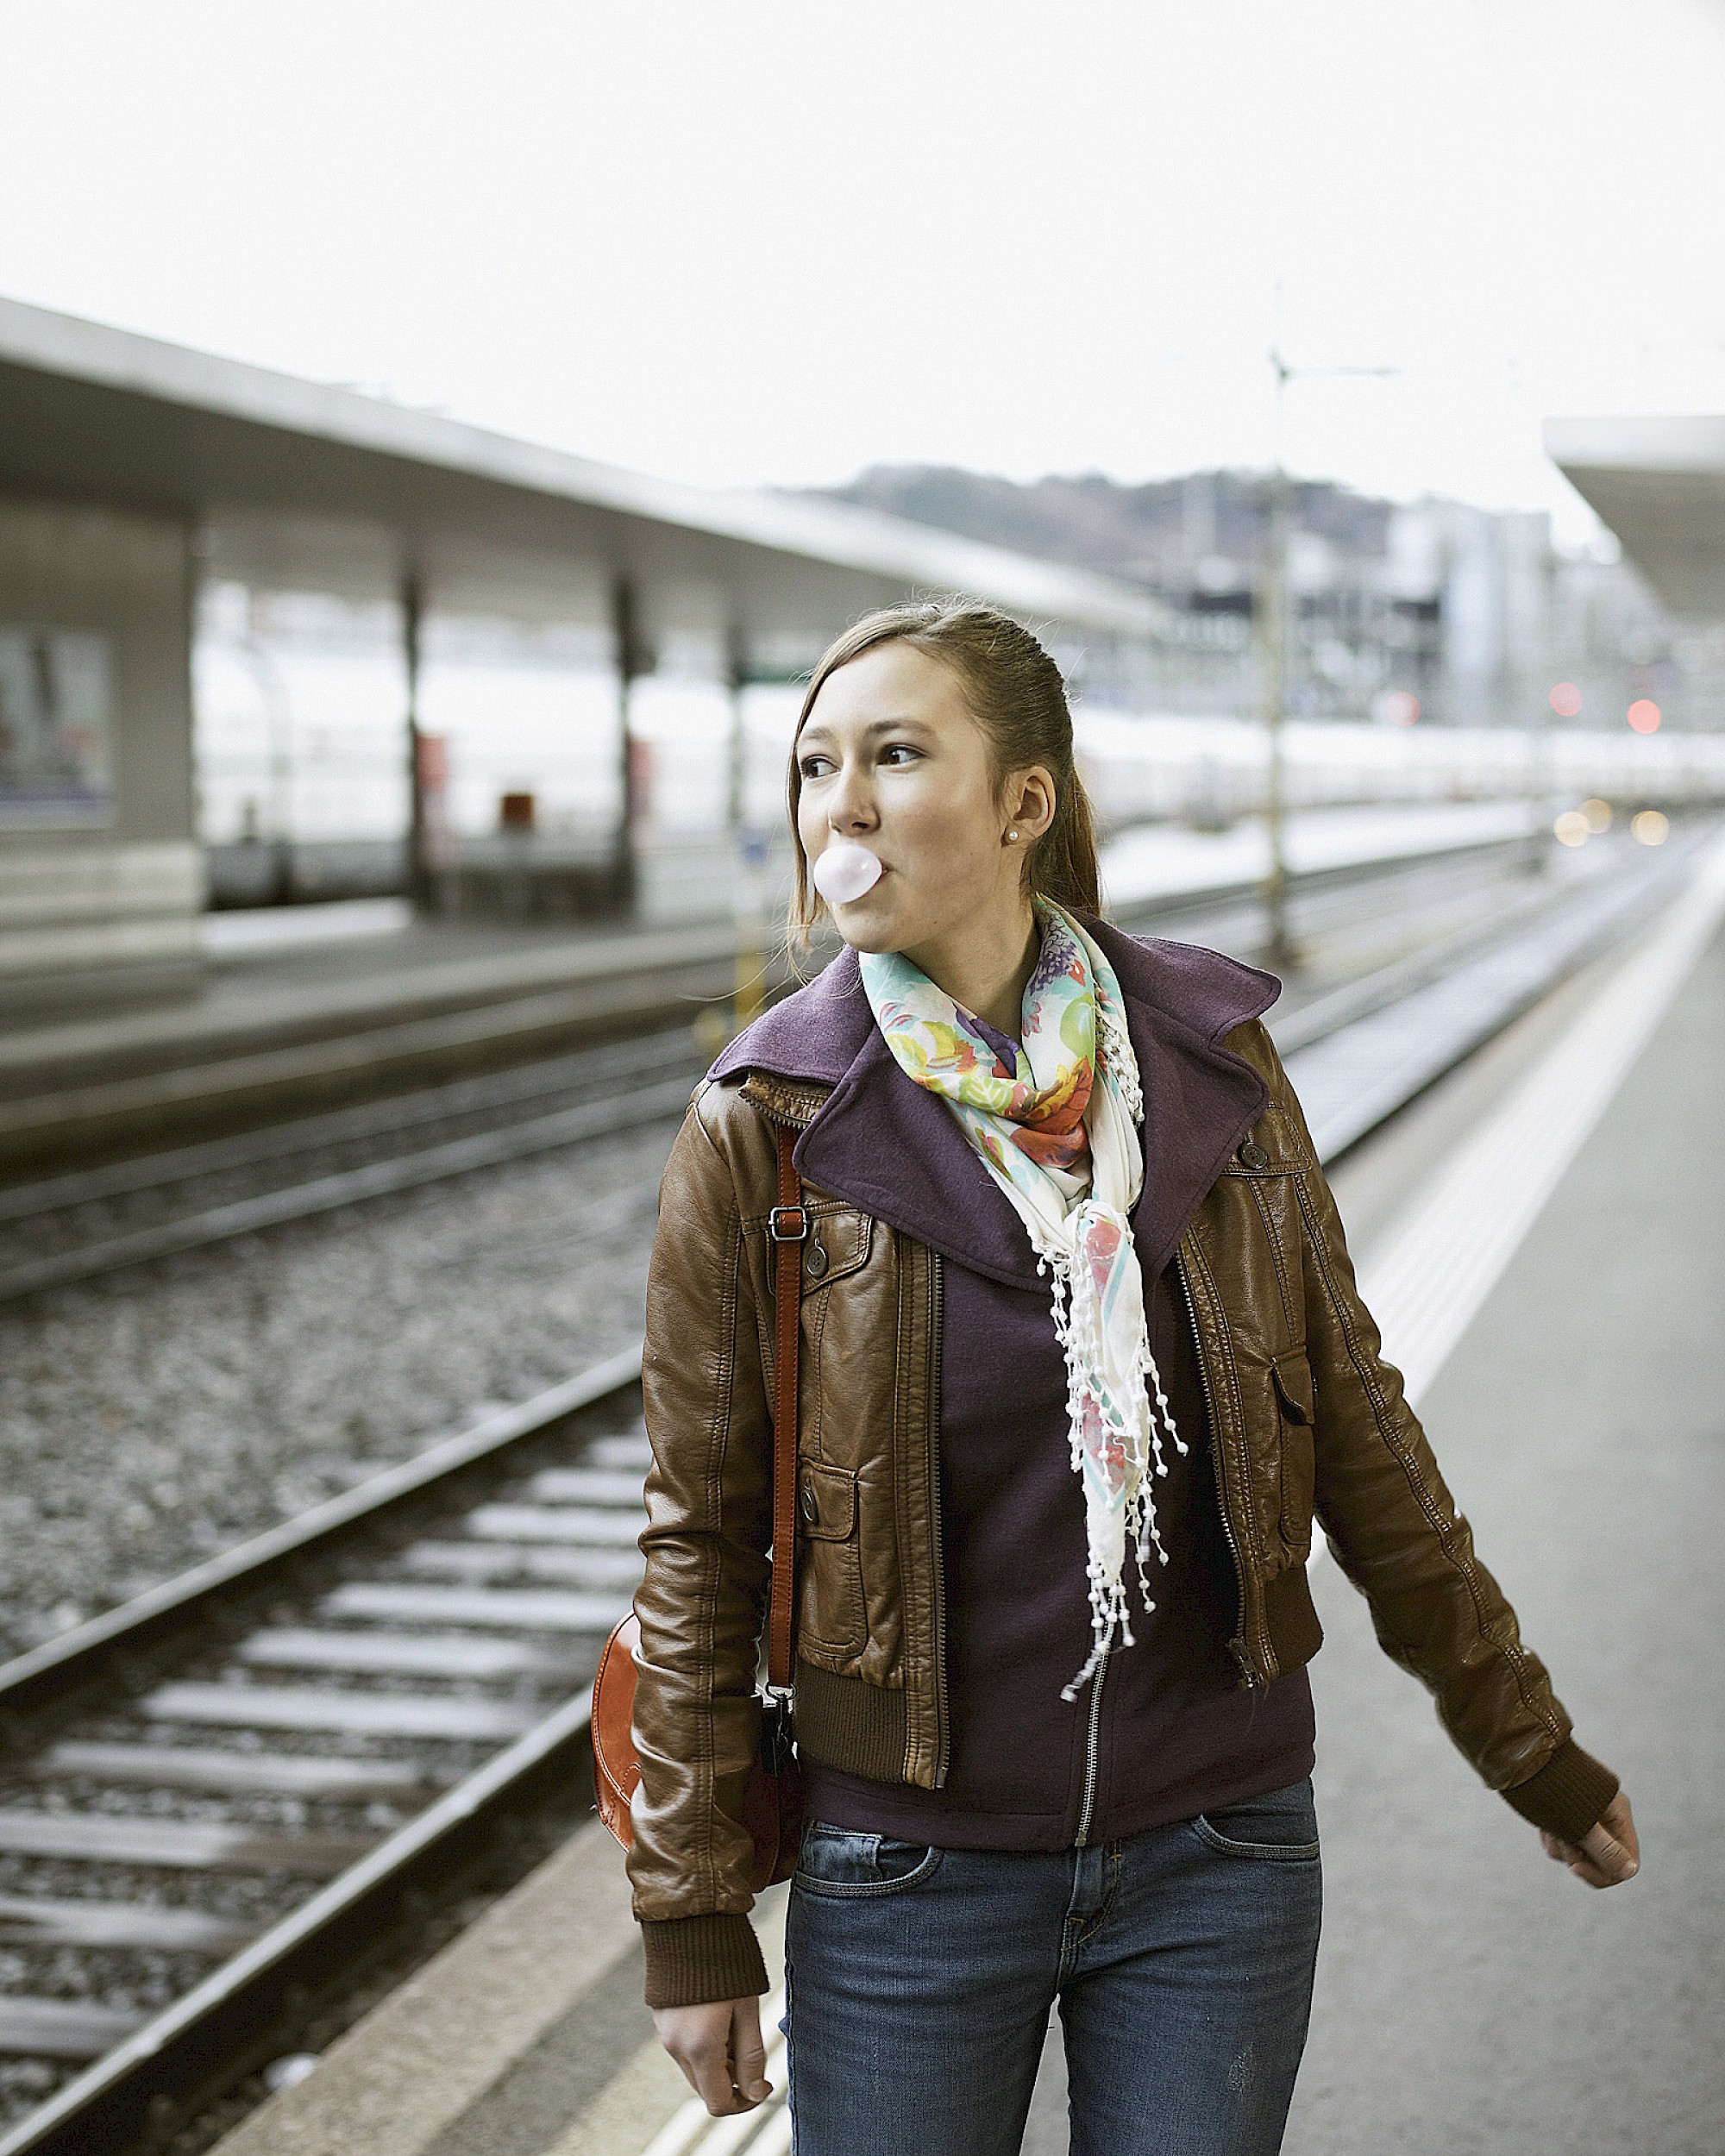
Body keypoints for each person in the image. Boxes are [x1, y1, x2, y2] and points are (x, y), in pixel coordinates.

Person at [626, 599, 1638, 2156]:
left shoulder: (1209, 1065)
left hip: (1218, 1848)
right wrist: (691, 1918)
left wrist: (1526, 1742)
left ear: (1025, 802)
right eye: (818, 766)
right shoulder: (769, 1120)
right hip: (907, 1874)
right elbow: (701, 1532)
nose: (845, 803)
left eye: (897, 755)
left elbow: (1355, 1424)